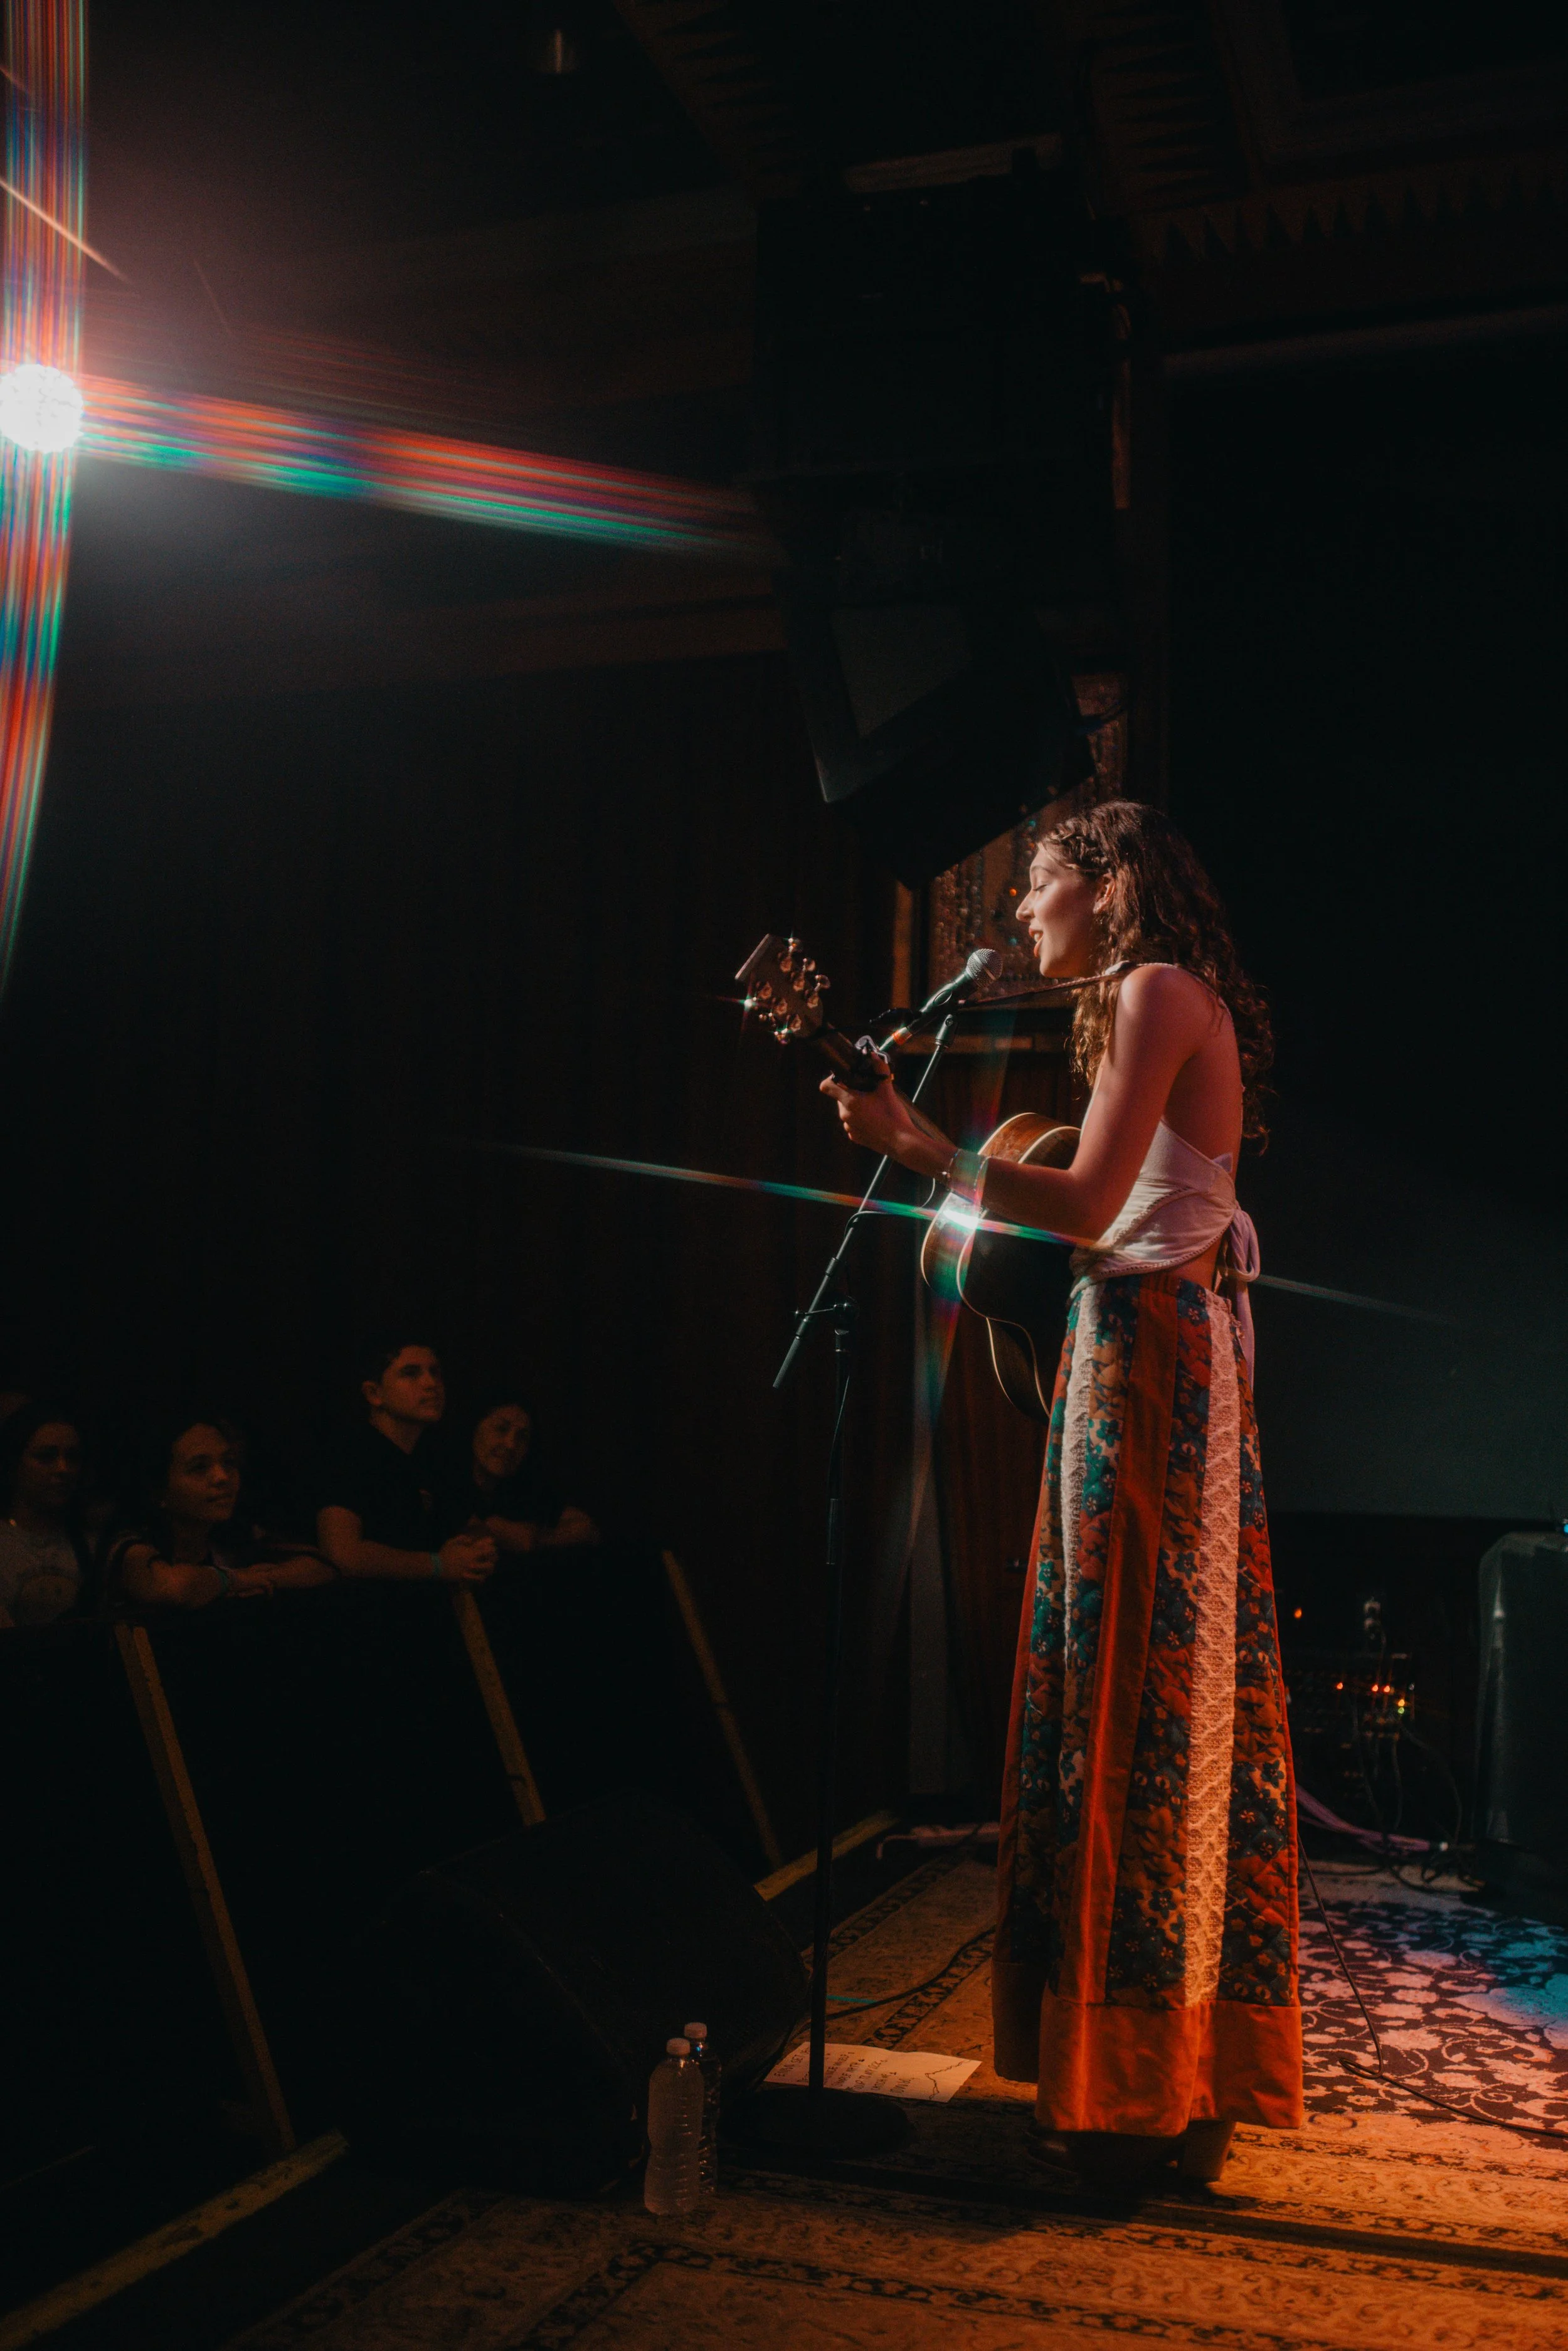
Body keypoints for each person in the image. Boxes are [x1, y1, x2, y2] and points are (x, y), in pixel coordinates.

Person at [822, 799, 1300, 2189]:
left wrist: (917, 1147)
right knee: (1115, 1688)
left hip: (1153, 1356)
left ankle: (1138, 2083)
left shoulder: (1157, 987)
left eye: (1036, 882)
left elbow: (1088, 1205)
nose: (1019, 908)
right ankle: (1146, 2068)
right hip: (1126, 1346)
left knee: (1133, 1693)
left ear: (1107, 883)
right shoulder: (1138, 999)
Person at [102, 1414, 336, 1610]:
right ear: (158, 1491)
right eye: (199, 1467)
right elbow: (169, 1588)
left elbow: (321, 1567)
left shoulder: (233, 1538)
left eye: (229, 1462)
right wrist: (233, 1579)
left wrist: (264, 1578)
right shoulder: (129, 1545)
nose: (222, 1477)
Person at [316, 1337, 495, 1584]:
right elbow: (342, 1554)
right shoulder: (348, 1454)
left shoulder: (433, 1457)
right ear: (374, 1393)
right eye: (411, 1373)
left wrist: (478, 1549)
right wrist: (438, 1564)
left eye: (435, 1372)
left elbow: (472, 1524)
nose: (431, 1384)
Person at [466, 1393, 598, 1557]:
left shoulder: (524, 1486)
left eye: (522, 1437)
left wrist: (535, 1539)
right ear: (474, 1427)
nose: (511, 1444)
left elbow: (587, 1528)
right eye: (501, 1429)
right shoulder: (447, 1482)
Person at [0, 1404, 92, 1628]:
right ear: (14, 1463)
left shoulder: (93, 1543)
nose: (63, 1468)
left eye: (73, 1458)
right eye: (46, 1457)